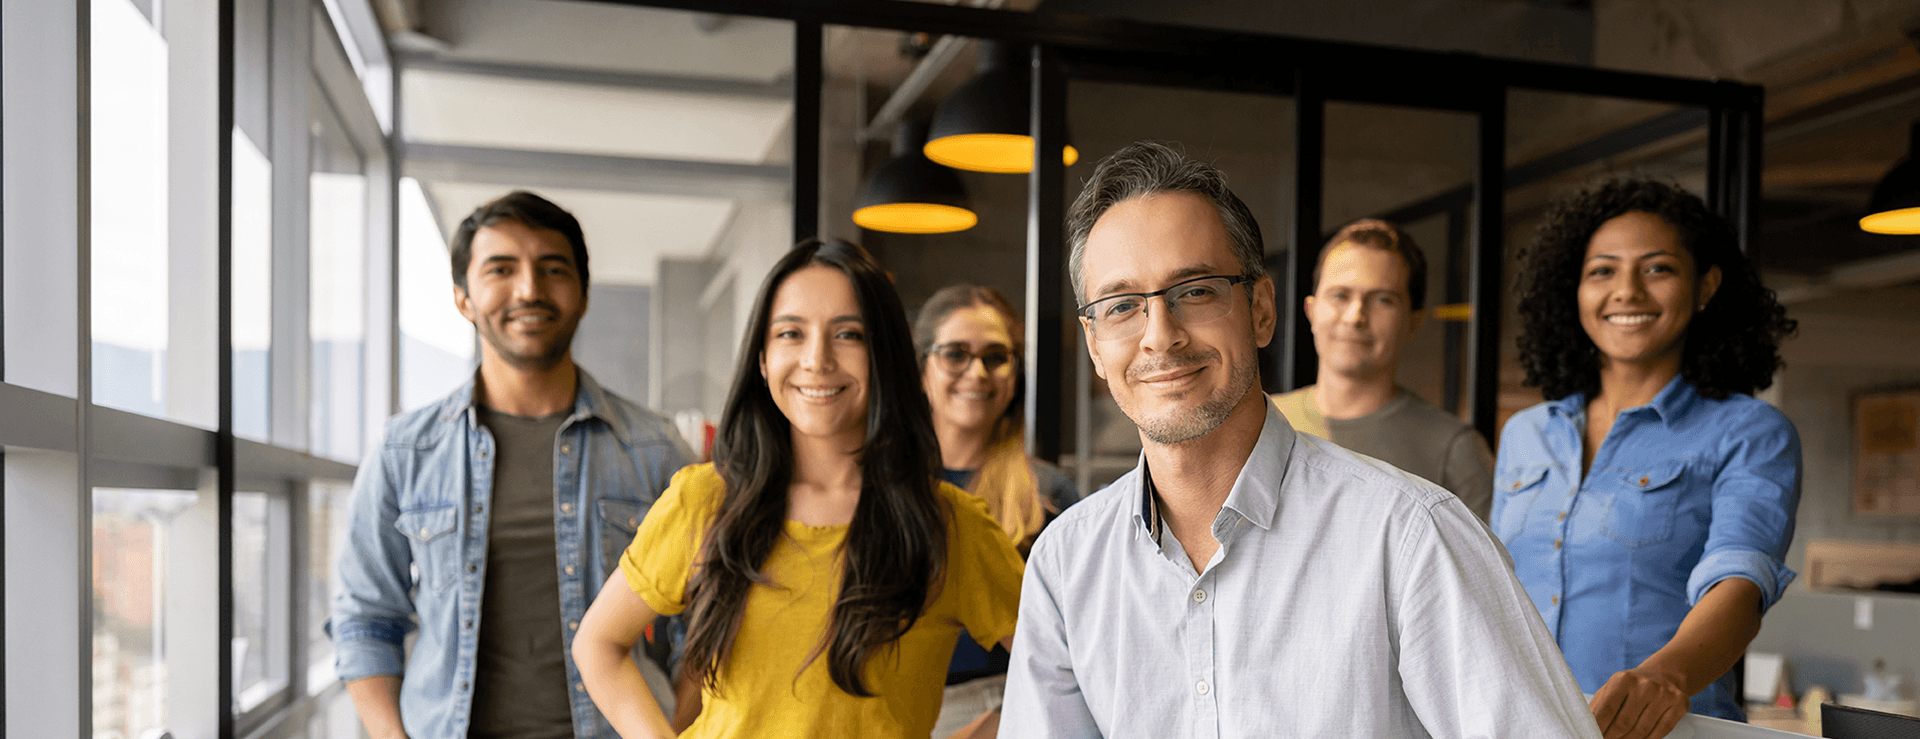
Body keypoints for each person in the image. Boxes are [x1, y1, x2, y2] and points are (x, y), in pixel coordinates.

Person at [999, 141, 1602, 738]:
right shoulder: (1066, 564)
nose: (1161, 335)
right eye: (1122, 306)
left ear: (1261, 309)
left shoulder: (1412, 536)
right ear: (1094, 345)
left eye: (1197, 290)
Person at [571, 239, 1027, 739]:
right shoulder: (704, 499)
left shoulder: (949, 524)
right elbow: (597, 644)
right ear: (763, 359)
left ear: (886, 357)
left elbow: (1065, 668)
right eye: (791, 333)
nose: (817, 359)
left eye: (849, 334)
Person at [331, 191, 694, 739]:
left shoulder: (655, 449)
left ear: (583, 294)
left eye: (553, 269)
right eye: (502, 269)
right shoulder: (404, 451)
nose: (529, 289)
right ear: (463, 298)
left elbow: (709, 622)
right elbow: (364, 619)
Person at [1496, 179, 1800, 737]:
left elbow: (1739, 582)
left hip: (1670, 733)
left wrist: (1667, 676)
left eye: (1657, 268)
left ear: (1705, 285)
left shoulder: (1750, 432)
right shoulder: (1526, 433)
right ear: (1575, 291)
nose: (1627, 291)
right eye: (1602, 271)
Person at [913, 285, 1083, 739]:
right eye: (955, 354)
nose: (977, 372)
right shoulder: (880, 484)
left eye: (995, 356)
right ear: (922, 368)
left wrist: (1001, 721)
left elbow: (1083, 642)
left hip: (999, 709)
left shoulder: (1049, 493)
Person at [1270, 218, 1496, 521]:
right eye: (1340, 295)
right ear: (1311, 310)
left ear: (1414, 321)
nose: (1355, 316)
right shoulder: (1260, 422)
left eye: (1382, 300)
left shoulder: (1454, 450)